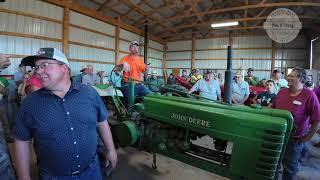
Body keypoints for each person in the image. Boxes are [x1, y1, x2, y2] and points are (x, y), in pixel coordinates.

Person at [14, 48, 117, 180]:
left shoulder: (89, 93)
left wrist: (111, 149)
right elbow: (22, 140)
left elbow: (102, 121)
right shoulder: (30, 104)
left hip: (92, 171)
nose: (38, 71)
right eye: (36, 67)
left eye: (44, 65)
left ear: (64, 67)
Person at [273, 68, 320, 180]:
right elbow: (273, 108)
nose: (288, 77)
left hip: (294, 139)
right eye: (289, 75)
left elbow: (317, 120)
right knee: (274, 162)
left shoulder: (309, 95)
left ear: (301, 79)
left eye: (292, 76)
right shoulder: (282, 92)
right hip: (277, 135)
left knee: (290, 167)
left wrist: (306, 138)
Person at [116, 41, 151, 106]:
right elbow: (116, 70)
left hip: (139, 85)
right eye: (133, 46)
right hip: (128, 85)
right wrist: (123, 64)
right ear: (130, 48)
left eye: (137, 46)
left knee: (151, 96)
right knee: (129, 105)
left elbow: (145, 73)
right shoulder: (124, 58)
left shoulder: (140, 60)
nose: (135, 48)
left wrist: (147, 69)